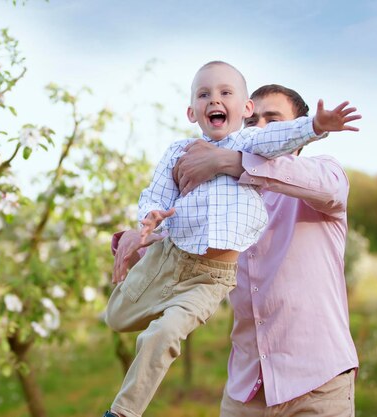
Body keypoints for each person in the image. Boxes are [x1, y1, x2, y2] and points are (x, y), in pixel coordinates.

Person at [103, 62, 360, 417]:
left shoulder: (323, 176)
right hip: (246, 389)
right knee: (125, 319)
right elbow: (175, 223)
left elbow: (325, 184)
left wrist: (227, 160)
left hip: (317, 385)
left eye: (275, 120)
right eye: (255, 122)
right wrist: (138, 236)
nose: (261, 130)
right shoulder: (216, 189)